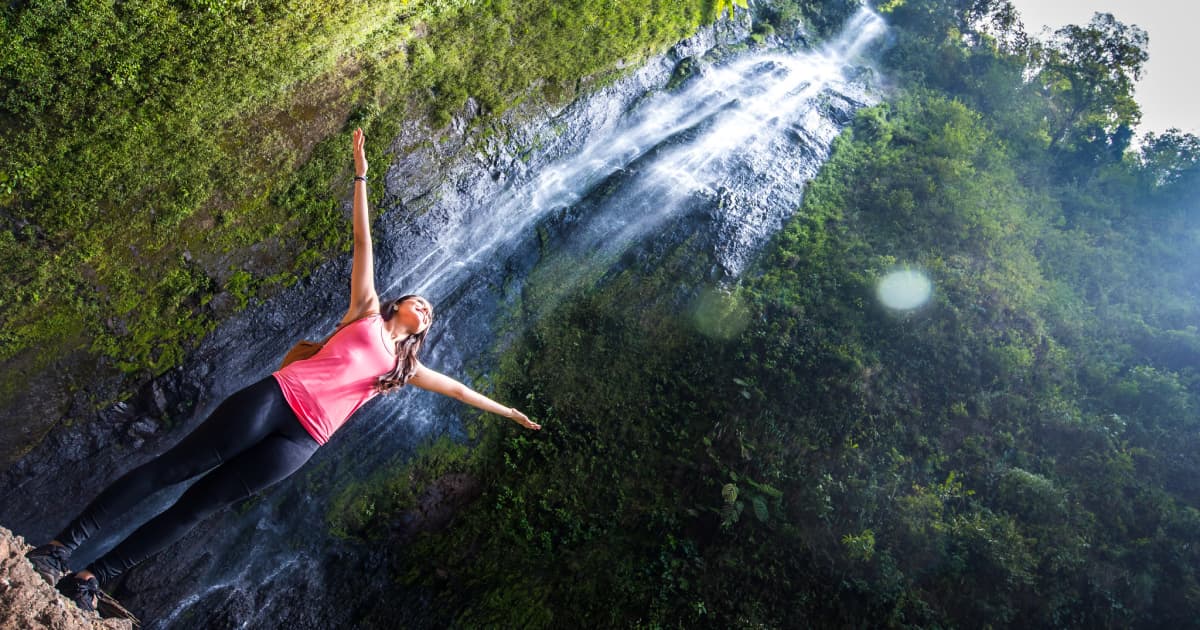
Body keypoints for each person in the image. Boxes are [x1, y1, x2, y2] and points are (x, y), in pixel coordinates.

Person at [25, 128, 540, 614]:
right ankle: (59, 547)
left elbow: (456, 388)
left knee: (195, 510)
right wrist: (360, 176)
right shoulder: (365, 309)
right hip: (274, 400)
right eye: (419, 300)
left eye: (430, 311)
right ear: (399, 302)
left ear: (423, 328)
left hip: (301, 444)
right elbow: (364, 242)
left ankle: (91, 577)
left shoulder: (405, 368)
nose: (424, 307)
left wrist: (507, 410)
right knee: (170, 470)